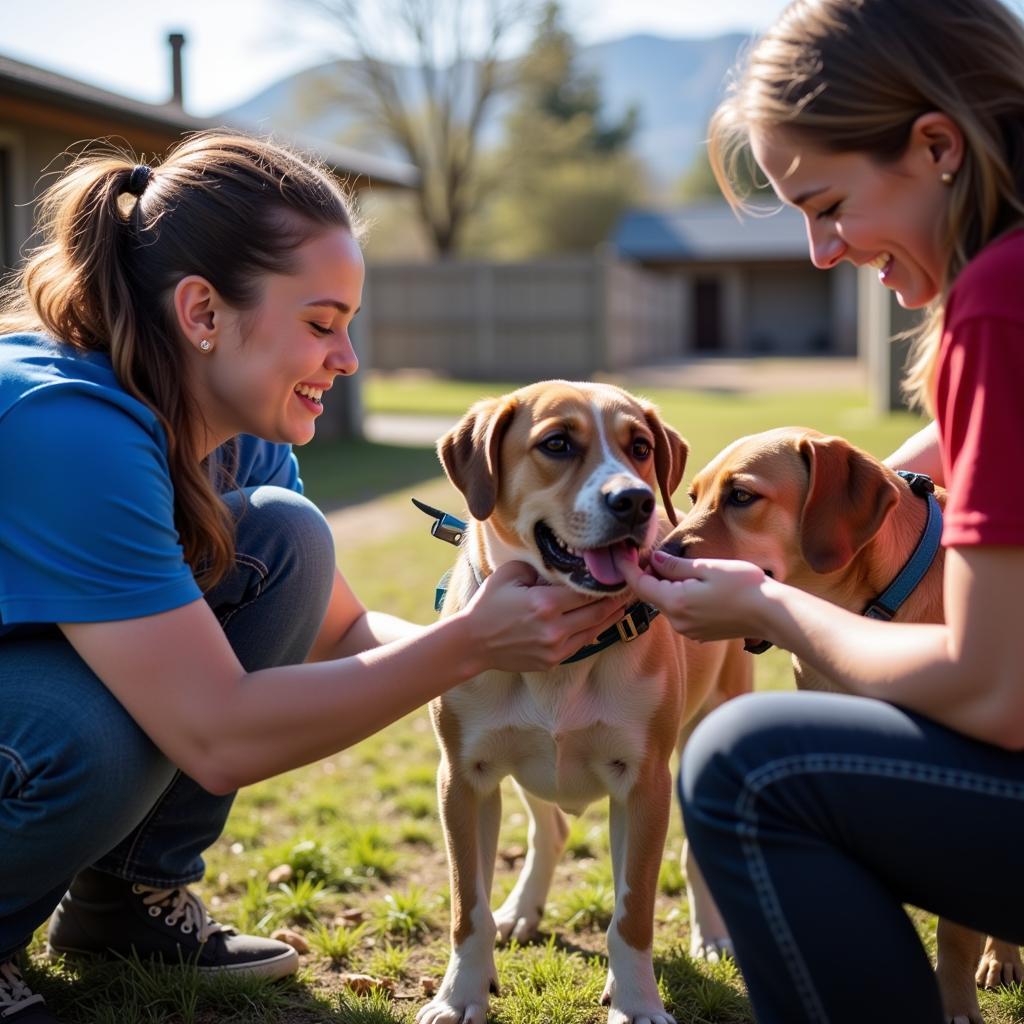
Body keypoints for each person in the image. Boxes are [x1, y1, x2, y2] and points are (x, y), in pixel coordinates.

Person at [0, 131, 629, 1024]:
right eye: (320, 324)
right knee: (86, 733)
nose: (347, 360)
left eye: (348, 327)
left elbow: (342, 633)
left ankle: (129, 907)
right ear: (203, 313)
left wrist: (542, 657)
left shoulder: (234, 419)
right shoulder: (67, 426)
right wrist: (468, 645)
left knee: (287, 538)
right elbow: (218, 734)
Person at [618, 0, 1024, 1020]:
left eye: (828, 202)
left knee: (741, 759)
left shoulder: (999, 302)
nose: (819, 250)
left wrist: (768, 608)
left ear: (936, 146)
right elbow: (957, 453)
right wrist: (845, 501)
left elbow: (991, 689)